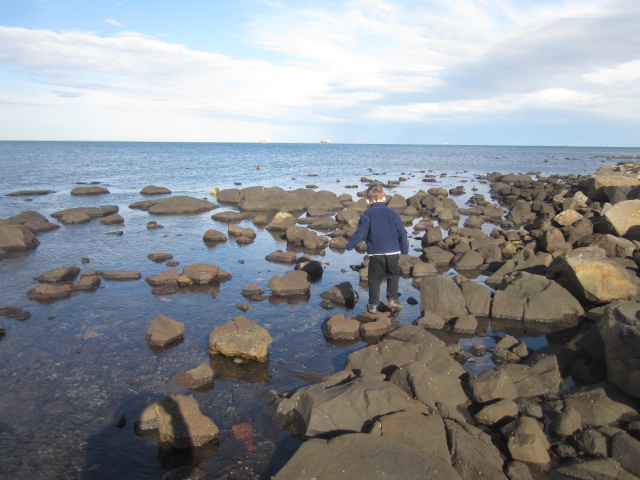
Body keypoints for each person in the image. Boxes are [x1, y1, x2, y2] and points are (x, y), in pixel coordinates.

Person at [346, 184, 409, 313]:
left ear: (368, 201)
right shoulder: (393, 213)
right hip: (393, 251)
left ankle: (373, 304)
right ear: (384, 198)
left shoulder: (367, 214)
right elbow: (402, 232)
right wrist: (404, 249)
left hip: (376, 252)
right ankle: (393, 299)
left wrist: (349, 245)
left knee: (374, 279)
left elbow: (360, 233)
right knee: (393, 275)